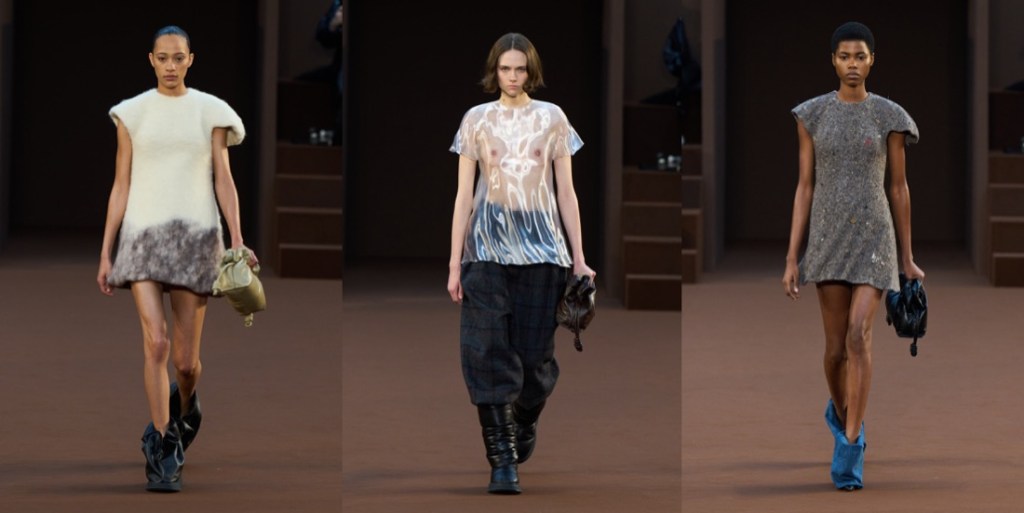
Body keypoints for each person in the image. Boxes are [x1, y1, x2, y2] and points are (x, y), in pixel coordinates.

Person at [97, 25, 255, 492]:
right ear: (151, 59)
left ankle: (186, 404)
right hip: (143, 237)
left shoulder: (211, 111)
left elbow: (223, 178)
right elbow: (121, 184)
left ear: (190, 59)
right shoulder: (131, 113)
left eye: (178, 57)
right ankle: (165, 446)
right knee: (157, 344)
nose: (170, 65)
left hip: (195, 238)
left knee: (186, 363)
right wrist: (106, 251)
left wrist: (237, 239)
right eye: (162, 57)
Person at [447, 32, 596, 495]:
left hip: (543, 251)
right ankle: (502, 461)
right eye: (505, 69)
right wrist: (454, 263)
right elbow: (463, 196)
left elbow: (566, 192)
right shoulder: (476, 119)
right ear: (494, 71)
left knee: (535, 360)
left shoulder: (552, 118)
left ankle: (525, 416)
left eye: (520, 69)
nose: (512, 77)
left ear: (531, 71)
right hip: (486, 249)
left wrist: (579, 258)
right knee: (486, 352)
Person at [783, 21, 924, 491]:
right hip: (827, 238)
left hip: (874, 238)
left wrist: (906, 257)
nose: (852, 64)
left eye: (860, 56)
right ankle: (844, 411)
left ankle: (850, 445)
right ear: (833, 60)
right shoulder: (812, 114)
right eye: (844, 56)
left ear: (872, 60)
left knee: (859, 334)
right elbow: (804, 187)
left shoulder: (889, 116)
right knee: (834, 351)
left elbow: (899, 188)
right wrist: (792, 257)